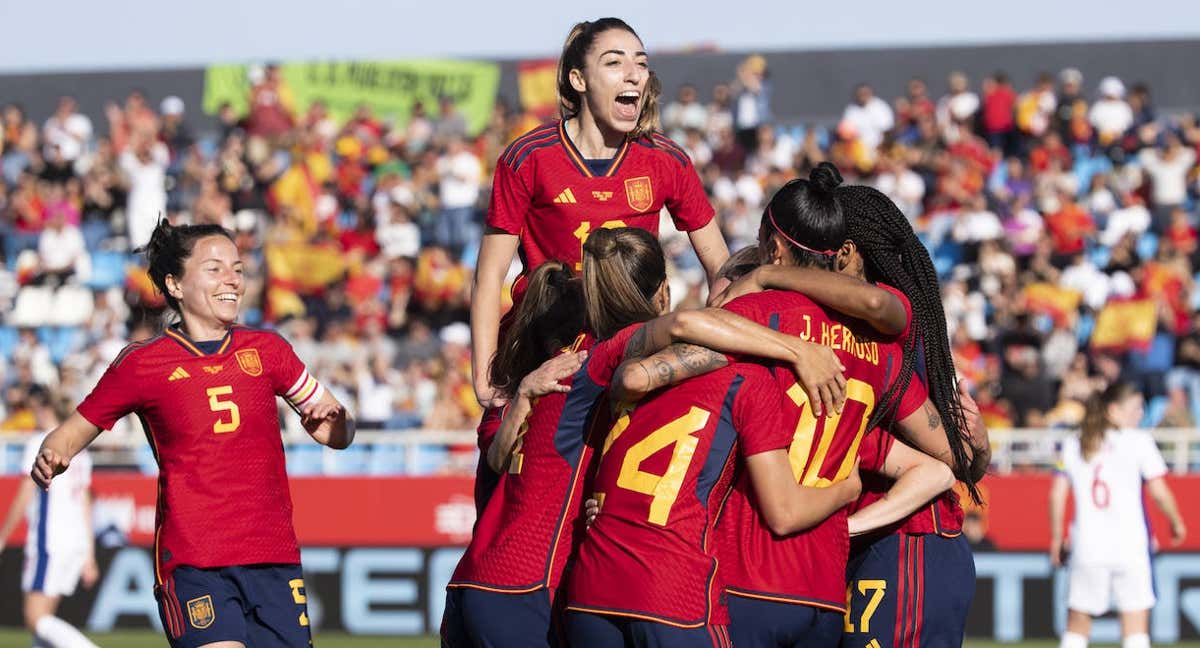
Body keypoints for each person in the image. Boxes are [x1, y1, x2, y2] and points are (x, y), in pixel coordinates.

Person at [444, 230, 844, 647]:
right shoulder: (592, 361)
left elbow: (500, 461)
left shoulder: (521, 392)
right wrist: (797, 349)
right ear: (663, 291)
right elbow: (684, 325)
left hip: (474, 581)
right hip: (532, 586)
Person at [30, 220, 354, 648]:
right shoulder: (142, 364)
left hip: (274, 556)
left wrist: (335, 423)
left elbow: (339, 430)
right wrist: (53, 453)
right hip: (194, 560)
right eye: (215, 269)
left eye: (237, 269)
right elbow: (68, 435)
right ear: (175, 285)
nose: (232, 281)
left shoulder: (269, 350)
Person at [470, 16, 730, 410]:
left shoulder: (667, 160)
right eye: (614, 63)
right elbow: (489, 277)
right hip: (543, 351)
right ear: (578, 79)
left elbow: (721, 268)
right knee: (510, 466)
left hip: (628, 356)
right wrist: (485, 384)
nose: (633, 75)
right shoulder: (528, 157)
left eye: (641, 64)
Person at [1049, 383, 1186, 648]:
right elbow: (1159, 492)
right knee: (1135, 628)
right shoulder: (1139, 441)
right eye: (1135, 408)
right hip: (1131, 546)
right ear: (1113, 410)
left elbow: (1056, 494)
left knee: (1077, 626)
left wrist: (1056, 538)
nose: (1140, 414)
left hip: (1087, 545)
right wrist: (1176, 521)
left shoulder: (1073, 443)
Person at [0, 392, 99, 648]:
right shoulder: (80, 450)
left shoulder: (40, 443)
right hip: (74, 542)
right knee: (43, 626)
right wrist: (89, 554)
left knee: (36, 619)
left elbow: (24, 495)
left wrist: (3, 536)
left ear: (45, 410)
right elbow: (85, 505)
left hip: (50, 540)